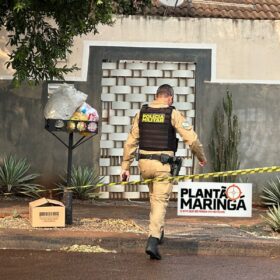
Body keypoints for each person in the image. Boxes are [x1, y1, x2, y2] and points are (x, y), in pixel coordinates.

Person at [120, 84, 207, 260]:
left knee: (154, 199)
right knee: (160, 201)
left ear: (156, 96)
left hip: (144, 164)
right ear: (170, 98)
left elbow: (130, 142)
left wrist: (125, 166)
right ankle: (152, 240)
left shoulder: (142, 113)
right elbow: (191, 139)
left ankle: (158, 232)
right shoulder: (172, 113)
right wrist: (200, 156)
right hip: (162, 165)